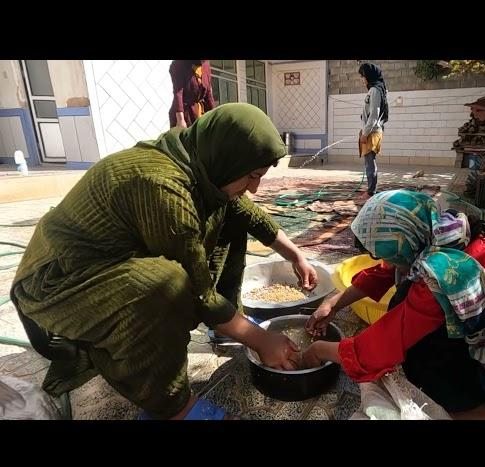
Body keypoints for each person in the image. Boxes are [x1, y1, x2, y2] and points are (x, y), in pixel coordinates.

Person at [11, 103, 318, 420]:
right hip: (56, 287)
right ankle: (173, 408)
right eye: (252, 175)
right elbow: (197, 290)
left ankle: (226, 325)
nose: (255, 187)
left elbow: (247, 213)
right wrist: (263, 340)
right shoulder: (164, 187)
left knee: (227, 212)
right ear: (228, 159)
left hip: (100, 267)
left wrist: (295, 255)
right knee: (166, 283)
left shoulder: (198, 159)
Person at [303, 190, 485, 419]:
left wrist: (317, 351)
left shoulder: (446, 274)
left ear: (402, 245)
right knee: (408, 301)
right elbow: (384, 272)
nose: (383, 261)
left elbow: (383, 344)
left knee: (417, 345)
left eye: (380, 253)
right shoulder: (442, 234)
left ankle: (471, 409)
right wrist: (334, 304)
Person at [358, 63, 389, 198]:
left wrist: (365, 133)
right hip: (371, 130)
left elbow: (374, 114)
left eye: (362, 76)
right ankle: (371, 189)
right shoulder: (375, 89)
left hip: (372, 132)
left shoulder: (375, 91)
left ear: (368, 76)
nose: (361, 79)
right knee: (369, 161)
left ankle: (371, 192)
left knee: (370, 162)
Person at [169, 60, 216, 128]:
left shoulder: (206, 65)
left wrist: (214, 115)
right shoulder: (178, 64)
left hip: (201, 112)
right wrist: (180, 120)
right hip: (184, 113)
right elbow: (178, 93)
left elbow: (208, 94)